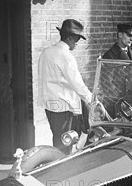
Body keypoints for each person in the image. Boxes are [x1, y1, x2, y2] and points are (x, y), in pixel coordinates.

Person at [37, 19, 93, 154]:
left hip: (49, 104)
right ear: (69, 38)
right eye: (76, 39)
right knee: (65, 143)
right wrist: (91, 99)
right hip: (63, 106)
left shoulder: (46, 52)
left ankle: (57, 164)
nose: (77, 43)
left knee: (58, 139)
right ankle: (61, 169)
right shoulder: (66, 56)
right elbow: (77, 83)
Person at [102, 23, 132, 96]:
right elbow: (107, 83)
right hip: (117, 99)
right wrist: (118, 99)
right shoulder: (110, 55)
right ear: (120, 35)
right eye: (129, 36)